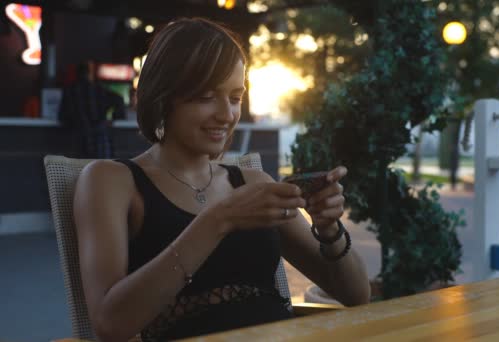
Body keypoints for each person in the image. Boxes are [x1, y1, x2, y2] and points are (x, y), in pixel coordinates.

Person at [73, 17, 370, 342]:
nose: (226, 115)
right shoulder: (112, 181)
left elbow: (355, 295)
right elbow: (110, 325)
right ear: (163, 95)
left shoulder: (253, 183)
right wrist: (219, 219)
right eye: (205, 96)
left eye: (235, 97)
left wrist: (329, 229)